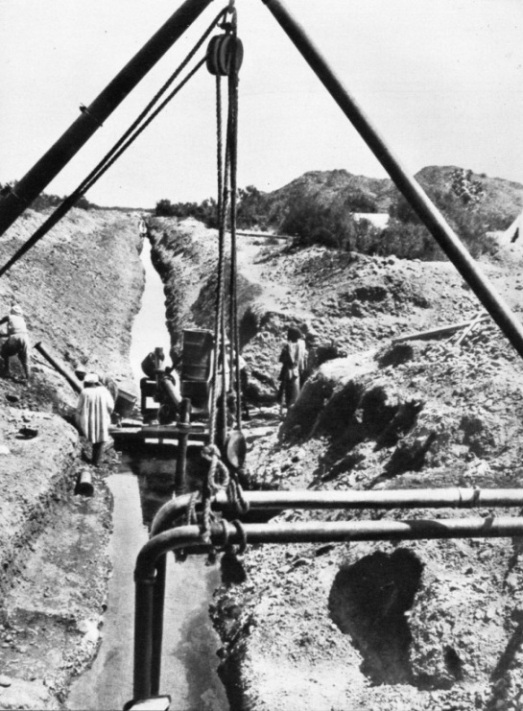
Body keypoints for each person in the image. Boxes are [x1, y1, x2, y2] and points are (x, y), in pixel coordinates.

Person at [76, 373, 114, 466]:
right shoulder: (104, 391)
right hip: (102, 420)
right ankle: (95, 462)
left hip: (88, 420)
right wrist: (107, 414)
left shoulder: (84, 392)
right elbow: (110, 406)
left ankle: (91, 459)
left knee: (93, 439)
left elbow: (78, 408)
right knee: (100, 442)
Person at [277, 327, 307, 416]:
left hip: (288, 372)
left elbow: (283, 359)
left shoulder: (289, 346)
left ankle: (289, 413)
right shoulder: (301, 344)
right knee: (295, 393)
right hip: (296, 371)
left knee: (289, 394)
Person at [0, 304, 31, 379]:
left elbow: (14, 334)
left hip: (15, 337)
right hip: (25, 338)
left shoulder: (9, 317)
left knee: (4, 351)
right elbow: (14, 333)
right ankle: (27, 378)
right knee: (24, 358)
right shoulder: (22, 320)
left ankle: (6, 370)